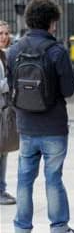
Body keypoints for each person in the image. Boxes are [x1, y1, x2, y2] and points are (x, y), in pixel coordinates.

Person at [7, 0, 74, 233]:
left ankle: (22, 227)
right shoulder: (57, 50)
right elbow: (68, 90)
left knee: (24, 179)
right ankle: (59, 227)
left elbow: (11, 87)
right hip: (54, 125)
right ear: (50, 22)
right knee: (53, 178)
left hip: (26, 125)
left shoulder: (14, 49)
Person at [0, 20, 17, 205]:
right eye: (1, 33)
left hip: (4, 110)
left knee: (3, 150)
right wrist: (10, 83)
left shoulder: (6, 55)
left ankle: (2, 188)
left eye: (6, 33)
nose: (4, 37)